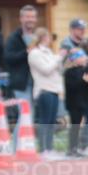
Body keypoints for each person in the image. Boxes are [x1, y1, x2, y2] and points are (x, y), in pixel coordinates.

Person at [28, 27, 64, 159]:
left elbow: (58, 69)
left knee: (51, 121)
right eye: (48, 37)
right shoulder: (35, 53)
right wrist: (57, 58)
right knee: (45, 121)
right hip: (44, 89)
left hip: (54, 89)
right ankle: (43, 150)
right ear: (43, 38)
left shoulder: (49, 52)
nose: (50, 40)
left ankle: (50, 149)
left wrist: (59, 59)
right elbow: (46, 69)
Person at [4, 4, 38, 105]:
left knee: (39, 118)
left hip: (39, 84)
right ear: (21, 19)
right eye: (27, 17)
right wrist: (26, 53)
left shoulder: (38, 37)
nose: (30, 19)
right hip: (22, 84)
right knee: (26, 114)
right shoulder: (14, 37)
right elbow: (8, 58)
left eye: (32, 17)